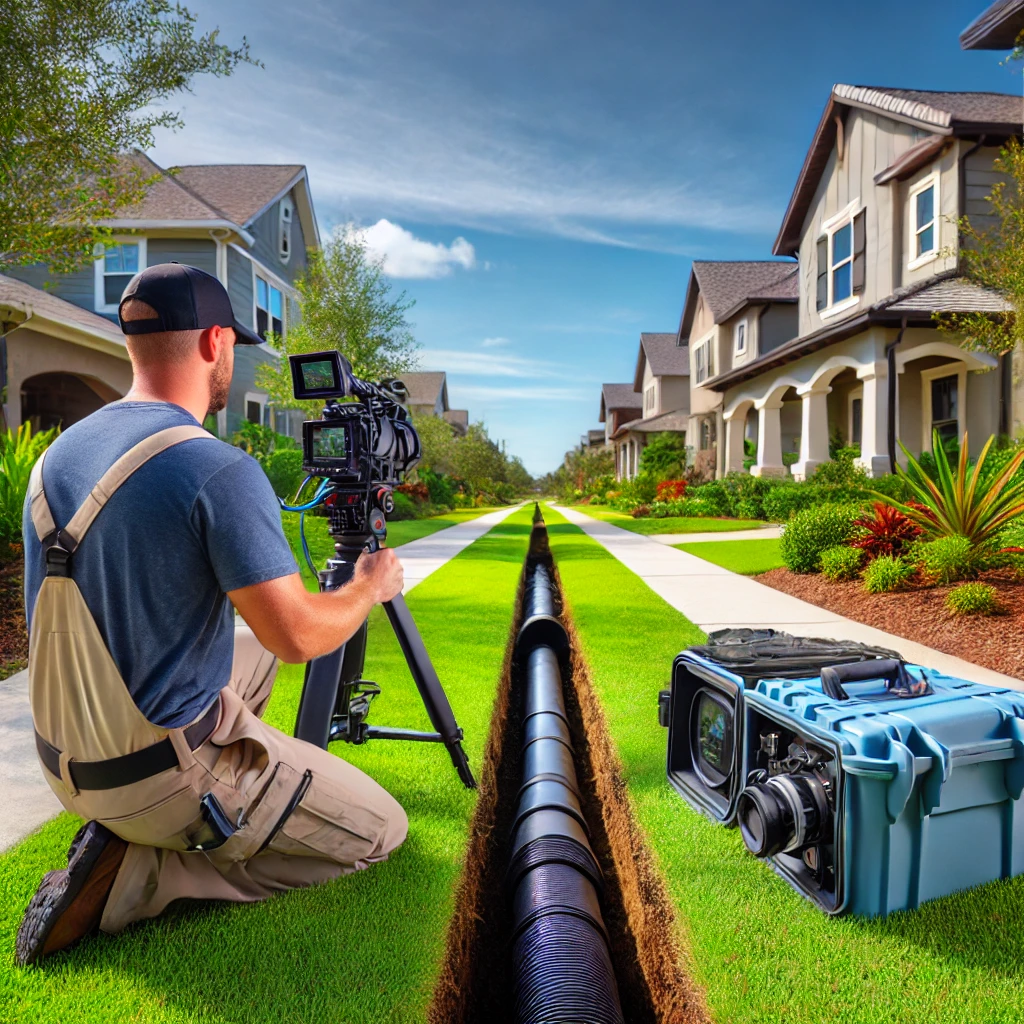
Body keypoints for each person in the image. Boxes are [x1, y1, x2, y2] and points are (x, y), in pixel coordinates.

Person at [15, 263, 408, 967]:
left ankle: (208, 784)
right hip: (158, 779)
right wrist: (367, 587)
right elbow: (298, 639)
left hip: (66, 761)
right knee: (383, 829)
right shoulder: (215, 468)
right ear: (214, 342)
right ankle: (144, 875)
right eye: (235, 348)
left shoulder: (56, 458)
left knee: (243, 649)